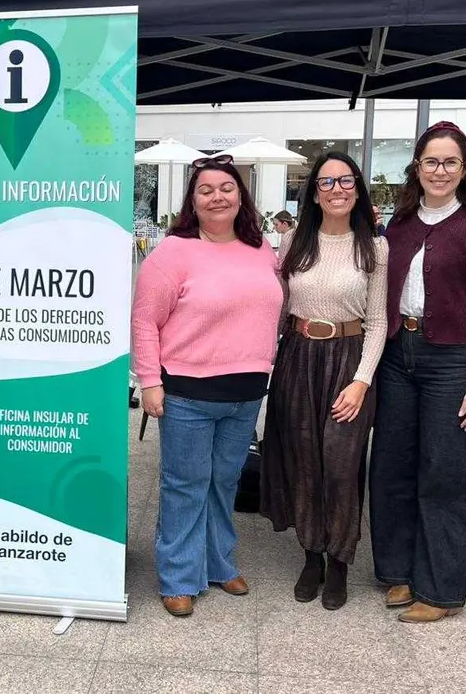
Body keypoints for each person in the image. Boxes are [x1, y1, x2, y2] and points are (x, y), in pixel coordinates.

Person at [369, 121, 466, 624]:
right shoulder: (401, 225)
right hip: (397, 354)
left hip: (452, 359)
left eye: (451, 162)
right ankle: (398, 571)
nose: (441, 171)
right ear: (417, 168)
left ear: (465, 168)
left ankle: (440, 586)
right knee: (392, 466)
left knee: (446, 471)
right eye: (431, 161)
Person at [132, 153, 283, 617]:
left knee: (225, 482)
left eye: (226, 188)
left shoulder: (262, 250)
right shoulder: (173, 252)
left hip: (245, 393)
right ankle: (179, 576)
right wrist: (149, 382)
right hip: (187, 393)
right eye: (206, 190)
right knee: (185, 484)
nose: (217, 196)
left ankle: (218, 562)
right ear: (192, 202)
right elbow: (144, 320)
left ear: (241, 196)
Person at [260, 151, 387, 610]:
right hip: (297, 357)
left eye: (346, 181)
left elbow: (376, 322)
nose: (337, 190)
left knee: (340, 464)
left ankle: (340, 561)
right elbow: (277, 308)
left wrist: (361, 382)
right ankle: (311, 554)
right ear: (314, 191)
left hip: (348, 359)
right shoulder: (294, 240)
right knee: (302, 460)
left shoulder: (375, 247)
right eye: (327, 182)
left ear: (358, 189)